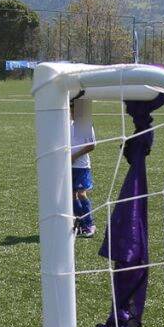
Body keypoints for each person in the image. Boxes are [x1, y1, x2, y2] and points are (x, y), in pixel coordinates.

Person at [69, 91, 95, 238]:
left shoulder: (84, 124)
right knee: (71, 196)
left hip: (81, 167)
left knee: (81, 193)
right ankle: (80, 223)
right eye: (71, 110)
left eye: (74, 109)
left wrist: (74, 156)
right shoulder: (69, 125)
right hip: (69, 166)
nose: (72, 112)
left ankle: (89, 224)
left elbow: (91, 146)